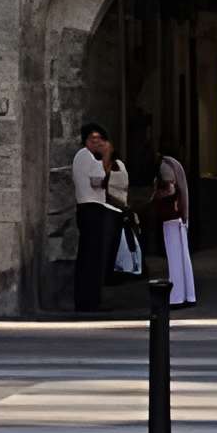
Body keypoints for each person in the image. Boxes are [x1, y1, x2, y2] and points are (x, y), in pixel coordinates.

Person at [72, 122, 110, 311]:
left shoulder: (85, 157)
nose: (98, 143)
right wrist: (106, 157)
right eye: (94, 139)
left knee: (91, 255)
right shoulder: (86, 156)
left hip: (89, 207)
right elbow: (99, 180)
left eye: (100, 139)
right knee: (91, 256)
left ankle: (88, 299)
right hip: (91, 208)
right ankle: (88, 301)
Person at [154, 153, 196, 307]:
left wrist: (157, 193)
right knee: (182, 258)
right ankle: (188, 295)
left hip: (171, 218)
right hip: (178, 218)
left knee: (174, 260)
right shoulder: (175, 165)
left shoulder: (165, 166)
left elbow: (170, 189)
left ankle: (177, 296)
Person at [102, 143, 136, 282]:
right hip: (118, 208)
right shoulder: (118, 165)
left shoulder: (115, 166)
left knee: (113, 242)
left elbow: (107, 188)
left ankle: (111, 273)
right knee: (115, 242)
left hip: (114, 208)